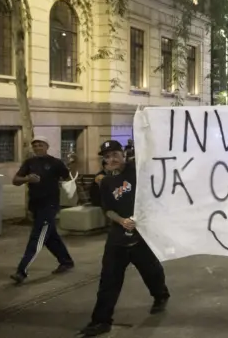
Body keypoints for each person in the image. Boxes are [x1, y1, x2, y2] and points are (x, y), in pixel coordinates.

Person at [80, 140, 170, 337]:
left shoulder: (137, 171)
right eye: (107, 156)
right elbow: (107, 209)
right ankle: (101, 321)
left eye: (115, 154)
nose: (111, 159)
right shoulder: (105, 182)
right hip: (118, 237)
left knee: (151, 271)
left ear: (123, 154)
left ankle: (160, 295)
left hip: (142, 235)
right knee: (108, 280)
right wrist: (121, 221)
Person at [10, 137, 75, 284]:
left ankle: (22, 271)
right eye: (35, 145)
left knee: (37, 237)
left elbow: (68, 178)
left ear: (47, 146)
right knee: (50, 236)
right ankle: (66, 261)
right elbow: (15, 180)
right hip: (35, 206)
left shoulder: (55, 163)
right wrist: (27, 179)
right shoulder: (29, 163)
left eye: (41, 145)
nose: (38, 147)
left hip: (49, 205)